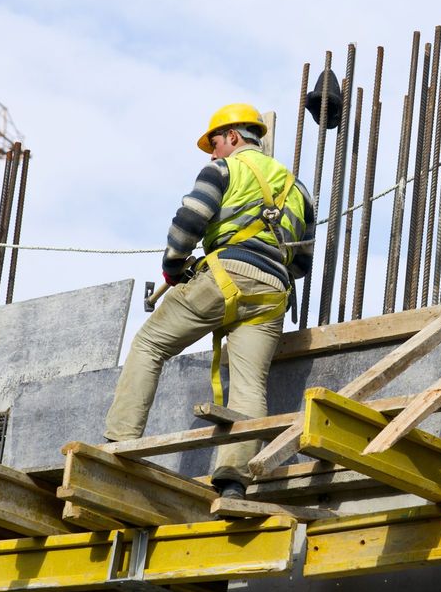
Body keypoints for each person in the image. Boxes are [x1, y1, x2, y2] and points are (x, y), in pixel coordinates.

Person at [104, 103, 314, 498]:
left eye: (214, 143)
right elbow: (301, 264)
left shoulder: (223, 170)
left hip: (224, 276)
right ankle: (233, 481)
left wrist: (173, 267)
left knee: (149, 345)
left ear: (233, 136)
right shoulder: (298, 190)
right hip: (272, 293)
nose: (212, 153)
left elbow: (189, 221)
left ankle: (118, 443)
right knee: (250, 384)